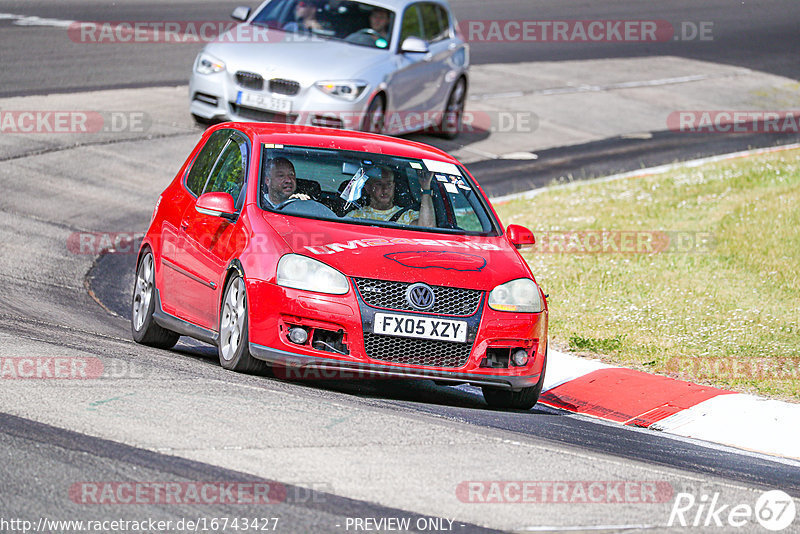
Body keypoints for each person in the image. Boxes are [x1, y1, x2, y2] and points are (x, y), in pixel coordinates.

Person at [347, 166, 434, 226]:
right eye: (379, 184)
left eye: (389, 184)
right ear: (368, 188)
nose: (385, 189)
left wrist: (426, 188)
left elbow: (428, 228)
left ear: (393, 186)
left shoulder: (407, 216)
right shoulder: (356, 216)